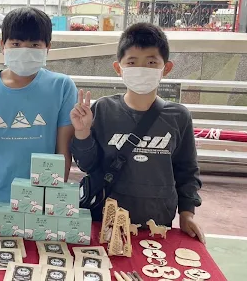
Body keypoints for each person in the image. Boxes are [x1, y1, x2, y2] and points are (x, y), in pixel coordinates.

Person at [69, 22, 204, 243]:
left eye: (151, 62)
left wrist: (187, 214)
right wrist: (82, 132)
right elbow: (87, 165)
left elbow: (187, 171)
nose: (142, 69)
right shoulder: (102, 110)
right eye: (132, 62)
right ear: (118, 68)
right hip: (104, 220)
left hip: (157, 224)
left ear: (166, 68)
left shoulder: (179, 117)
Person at [0, 7, 78, 211]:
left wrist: (55, 199)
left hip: (43, 200)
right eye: (16, 44)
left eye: (34, 44)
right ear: (3, 45)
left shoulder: (62, 87)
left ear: (48, 47)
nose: (25, 50)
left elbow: (63, 149)